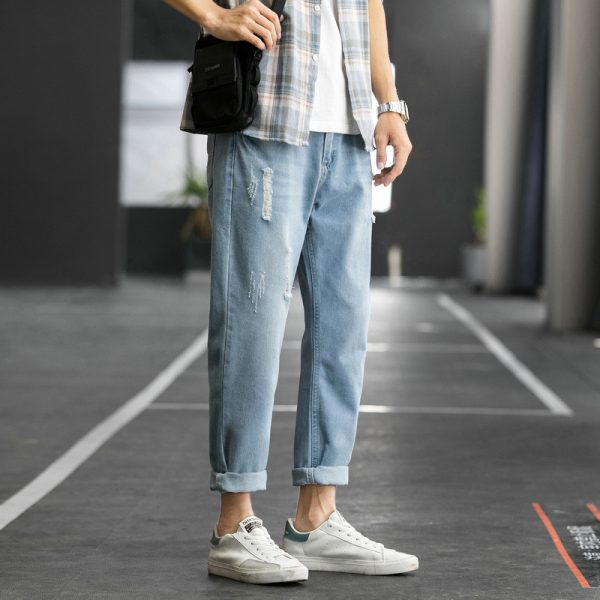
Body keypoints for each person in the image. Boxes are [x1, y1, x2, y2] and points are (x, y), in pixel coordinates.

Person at [165, 0, 416, 585]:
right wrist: (214, 15)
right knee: (252, 325)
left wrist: (388, 103)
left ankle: (315, 519)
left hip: (350, 134)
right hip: (266, 123)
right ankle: (233, 525)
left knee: (342, 331)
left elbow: (370, 7)